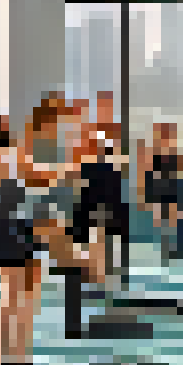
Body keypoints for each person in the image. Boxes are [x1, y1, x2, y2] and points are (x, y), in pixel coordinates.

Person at [0, 100, 68, 365]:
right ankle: (16, 362)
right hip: (9, 227)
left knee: (11, 295)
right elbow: (44, 179)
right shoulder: (10, 155)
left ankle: (4, 363)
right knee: (21, 295)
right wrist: (73, 165)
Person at [70, 93, 125, 284]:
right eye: (102, 107)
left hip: (109, 182)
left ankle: (106, 273)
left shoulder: (116, 132)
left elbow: (121, 160)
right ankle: (90, 272)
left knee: (107, 231)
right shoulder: (89, 132)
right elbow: (79, 157)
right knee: (87, 229)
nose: (105, 111)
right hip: (91, 181)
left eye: (108, 108)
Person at [136, 120, 183, 264]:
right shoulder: (153, 152)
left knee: (172, 220)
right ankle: (170, 251)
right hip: (160, 186)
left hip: (169, 187)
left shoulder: (172, 152)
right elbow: (145, 172)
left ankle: (174, 251)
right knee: (163, 220)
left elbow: (181, 171)